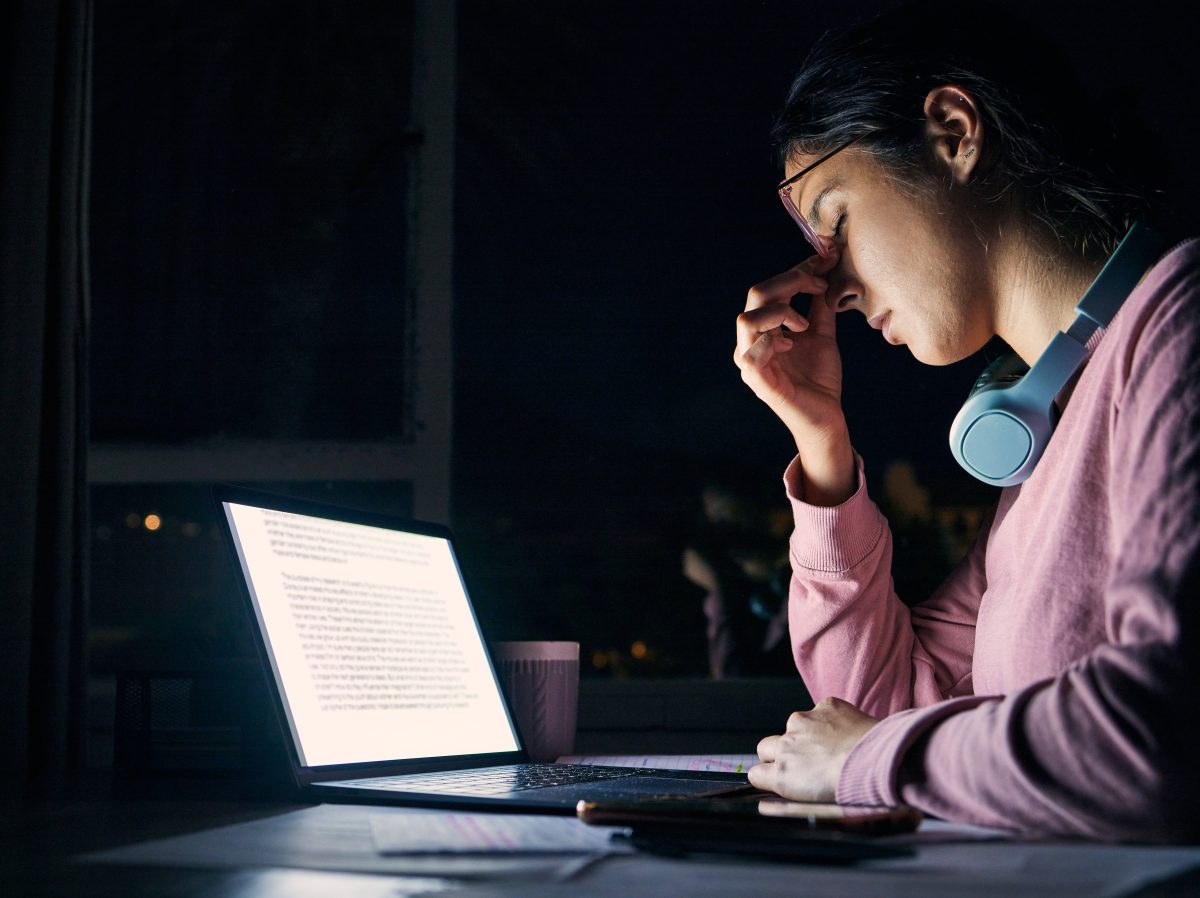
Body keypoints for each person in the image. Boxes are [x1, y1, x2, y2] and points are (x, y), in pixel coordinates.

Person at [734, 1, 1200, 841]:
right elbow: (880, 714)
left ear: (952, 131)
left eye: (835, 220)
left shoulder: (1178, 328)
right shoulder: (1051, 432)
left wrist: (870, 757)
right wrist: (823, 450)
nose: (828, 282)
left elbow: (1161, 737)